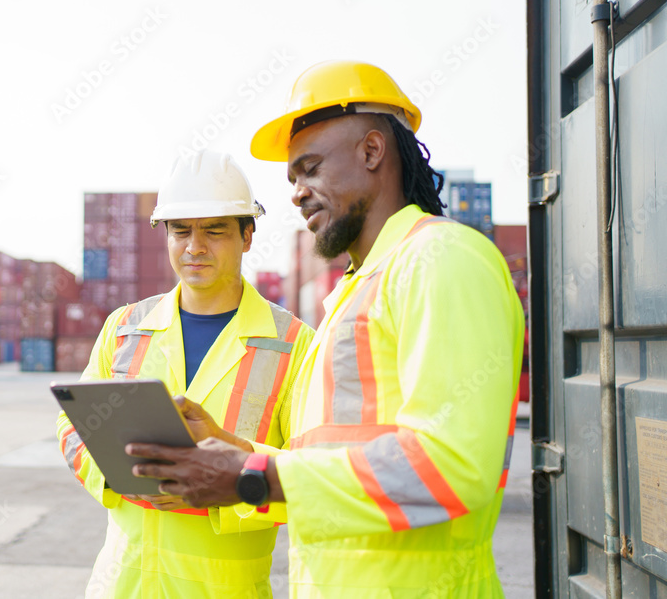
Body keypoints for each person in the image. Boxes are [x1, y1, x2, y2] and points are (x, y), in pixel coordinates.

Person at [127, 61, 525, 597]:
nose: (296, 193)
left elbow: (450, 466)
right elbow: (333, 463)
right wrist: (233, 450)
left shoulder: (440, 258)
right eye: (292, 178)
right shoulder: (355, 290)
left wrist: (249, 479)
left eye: (310, 168)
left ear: (372, 151)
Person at [56, 150, 315, 598]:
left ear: (248, 234)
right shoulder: (124, 327)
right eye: (181, 231)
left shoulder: (295, 344)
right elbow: (72, 426)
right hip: (123, 585)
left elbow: (310, 473)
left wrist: (223, 480)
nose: (194, 247)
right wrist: (123, 481)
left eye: (214, 231)